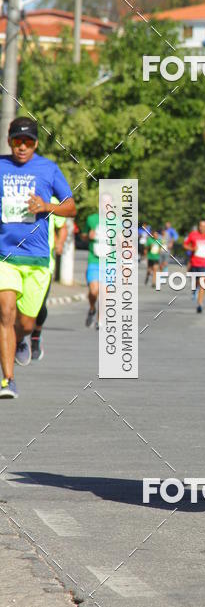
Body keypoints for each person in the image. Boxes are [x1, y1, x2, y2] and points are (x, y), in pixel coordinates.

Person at [0, 117, 76, 398]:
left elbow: (71, 207)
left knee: (26, 323)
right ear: (9, 141)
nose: (22, 147)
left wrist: (46, 206)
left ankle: (22, 340)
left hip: (37, 258)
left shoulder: (48, 168)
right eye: (17, 141)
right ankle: (8, 380)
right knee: (5, 312)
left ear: (36, 144)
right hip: (4, 255)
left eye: (28, 142)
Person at [30, 196, 68, 361]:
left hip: (44, 262)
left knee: (39, 306)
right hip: (14, 258)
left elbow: (63, 227)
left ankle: (36, 335)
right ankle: (17, 340)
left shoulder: (51, 199)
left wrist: (59, 243)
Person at [183, 220, 205, 313]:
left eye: (204, 226)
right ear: (198, 226)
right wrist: (192, 248)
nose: (202, 228)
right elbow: (184, 245)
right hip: (194, 263)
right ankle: (194, 290)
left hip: (204, 263)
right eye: (200, 226)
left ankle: (200, 304)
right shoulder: (192, 235)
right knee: (196, 282)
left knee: (202, 283)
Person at [81, 211, 103, 328]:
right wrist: (88, 236)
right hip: (94, 260)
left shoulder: (117, 222)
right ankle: (92, 308)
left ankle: (100, 321)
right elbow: (83, 236)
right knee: (94, 292)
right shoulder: (91, 219)